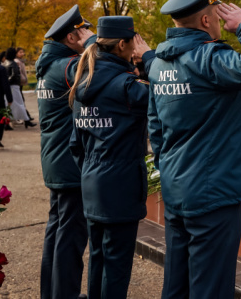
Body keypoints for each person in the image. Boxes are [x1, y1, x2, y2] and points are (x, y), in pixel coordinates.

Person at [147, 0, 241, 298]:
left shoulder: (159, 65)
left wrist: (169, 169)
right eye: (216, 17)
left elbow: (155, 126)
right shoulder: (208, 58)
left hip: (176, 189)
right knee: (212, 288)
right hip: (212, 193)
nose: (220, 23)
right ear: (206, 20)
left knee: (176, 284)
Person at [69, 16, 154, 299]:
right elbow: (165, 99)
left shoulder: (83, 83)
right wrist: (149, 59)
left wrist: (91, 171)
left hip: (92, 184)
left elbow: (76, 144)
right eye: (133, 42)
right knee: (117, 267)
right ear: (122, 45)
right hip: (121, 186)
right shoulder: (127, 86)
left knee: (98, 258)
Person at [36, 5, 95, 299]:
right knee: (70, 238)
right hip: (70, 164)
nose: (89, 35)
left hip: (56, 160)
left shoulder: (49, 66)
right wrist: (94, 45)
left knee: (57, 231)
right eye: (84, 31)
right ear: (72, 37)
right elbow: (101, 76)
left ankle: (52, 294)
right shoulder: (68, 66)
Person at [4, 46, 36, 128]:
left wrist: (6, 82)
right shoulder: (13, 63)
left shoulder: (5, 63)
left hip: (8, 86)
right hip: (14, 86)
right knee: (20, 103)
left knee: (8, 104)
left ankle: (8, 122)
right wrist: (10, 81)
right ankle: (26, 120)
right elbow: (14, 75)